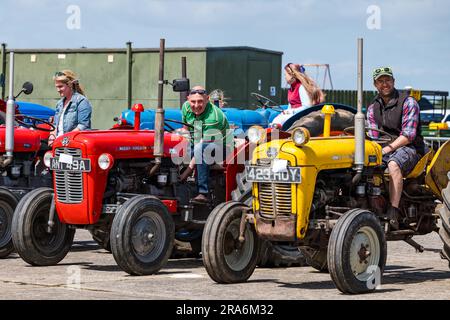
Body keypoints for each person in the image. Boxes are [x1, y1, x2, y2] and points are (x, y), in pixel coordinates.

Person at [366, 67, 426, 229]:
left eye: (387, 80)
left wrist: (386, 149)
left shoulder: (408, 102)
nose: (384, 84)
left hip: (410, 148)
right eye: (380, 81)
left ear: (393, 81)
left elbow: (408, 136)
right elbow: (373, 136)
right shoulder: (372, 107)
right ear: (375, 84)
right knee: (361, 166)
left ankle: (393, 210)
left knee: (393, 164)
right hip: (385, 148)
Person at [181, 86, 232, 204]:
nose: (196, 105)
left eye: (200, 101)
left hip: (222, 147)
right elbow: (186, 130)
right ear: (188, 99)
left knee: (200, 150)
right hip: (199, 142)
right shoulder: (185, 107)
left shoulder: (214, 116)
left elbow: (200, 147)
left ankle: (203, 192)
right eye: (193, 101)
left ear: (207, 99)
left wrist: (185, 174)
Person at [49, 70, 92, 145]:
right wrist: (52, 137)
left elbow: (83, 126)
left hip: (74, 144)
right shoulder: (59, 103)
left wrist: (64, 138)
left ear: (69, 85)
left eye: (60, 86)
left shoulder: (81, 101)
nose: (58, 90)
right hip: (59, 144)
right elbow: (55, 125)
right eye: (56, 87)